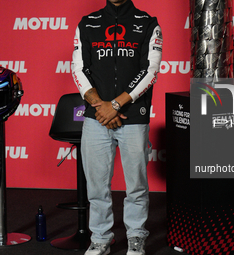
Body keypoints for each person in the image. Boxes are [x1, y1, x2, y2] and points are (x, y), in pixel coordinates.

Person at [71, 0, 162, 254]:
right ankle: (100, 237)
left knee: (136, 185)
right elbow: (78, 68)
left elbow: (150, 70)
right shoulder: (87, 23)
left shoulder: (147, 22)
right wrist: (101, 105)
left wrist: (116, 104)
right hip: (97, 116)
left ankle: (136, 235)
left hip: (133, 116)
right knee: (97, 185)